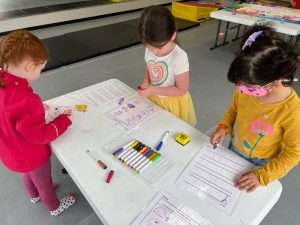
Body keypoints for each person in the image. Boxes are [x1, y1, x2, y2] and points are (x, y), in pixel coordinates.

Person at [210, 25, 300, 192]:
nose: (244, 90)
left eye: (250, 87)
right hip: (235, 147)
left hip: (262, 163)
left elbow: (293, 153)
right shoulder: (246, 86)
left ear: (276, 80)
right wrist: (224, 127)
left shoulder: (292, 110)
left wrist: (262, 176)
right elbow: (234, 111)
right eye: (241, 86)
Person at [0, 30, 76, 216]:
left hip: (11, 152)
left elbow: (10, 113)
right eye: (40, 68)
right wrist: (63, 120)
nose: (40, 72)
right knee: (44, 182)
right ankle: (54, 207)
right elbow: (39, 135)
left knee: (29, 175)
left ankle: (34, 195)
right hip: (31, 155)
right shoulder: (27, 100)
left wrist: (36, 110)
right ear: (29, 66)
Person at [137, 5, 197, 127]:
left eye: (159, 47)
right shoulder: (151, 48)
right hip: (155, 98)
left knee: (174, 130)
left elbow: (182, 89)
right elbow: (150, 68)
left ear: (173, 35)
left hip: (173, 102)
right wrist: (146, 81)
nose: (154, 52)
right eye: (148, 47)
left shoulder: (179, 57)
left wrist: (153, 90)